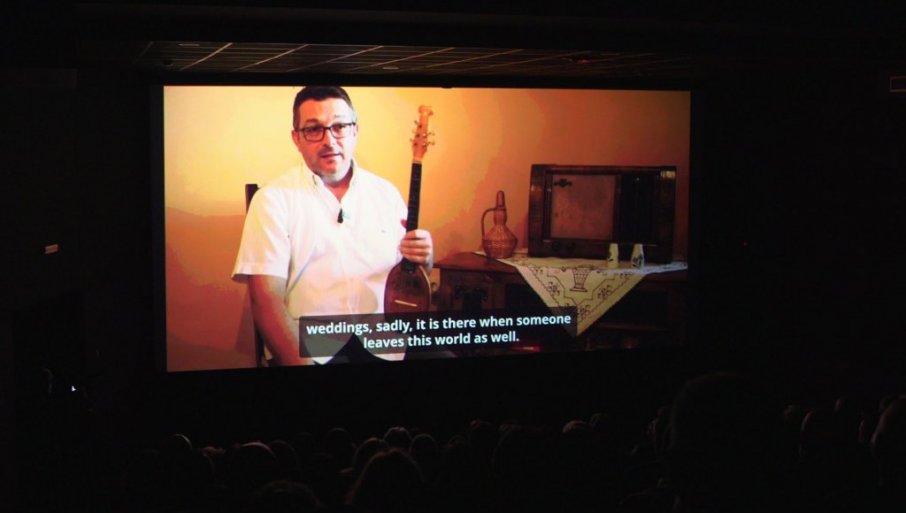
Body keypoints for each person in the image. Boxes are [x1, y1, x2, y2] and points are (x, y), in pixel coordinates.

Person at [232, 86, 433, 365]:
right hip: (311, 346)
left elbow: (407, 280)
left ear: (355, 130)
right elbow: (266, 300)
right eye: (314, 129)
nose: (329, 140)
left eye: (339, 126)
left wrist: (425, 258)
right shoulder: (272, 200)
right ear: (296, 138)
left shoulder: (386, 194)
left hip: (384, 342)